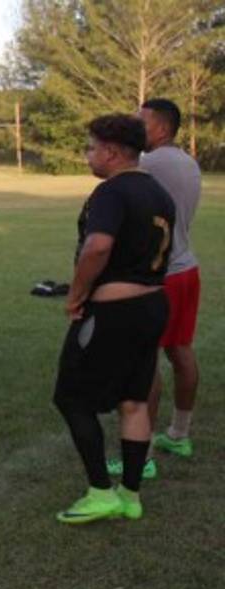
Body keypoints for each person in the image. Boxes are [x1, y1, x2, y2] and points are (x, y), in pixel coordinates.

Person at [53, 114, 174, 524]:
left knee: (70, 398)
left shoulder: (112, 191)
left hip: (114, 310)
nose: (87, 155)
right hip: (153, 304)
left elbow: (98, 247)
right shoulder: (158, 191)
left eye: (91, 148)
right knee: (134, 401)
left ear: (111, 152)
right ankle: (131, 495)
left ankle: (101, 491)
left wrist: (76, 294)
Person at [138, 98, 202, 469]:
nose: (135, 129)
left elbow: (109, 170)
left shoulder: (152, 162)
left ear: (161, 129)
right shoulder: (187, 161)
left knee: (145, 361)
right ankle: (179, 434)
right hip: (186, 268)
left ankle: (142, 454)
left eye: (141, 122)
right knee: (180, 351)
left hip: (162, 275)